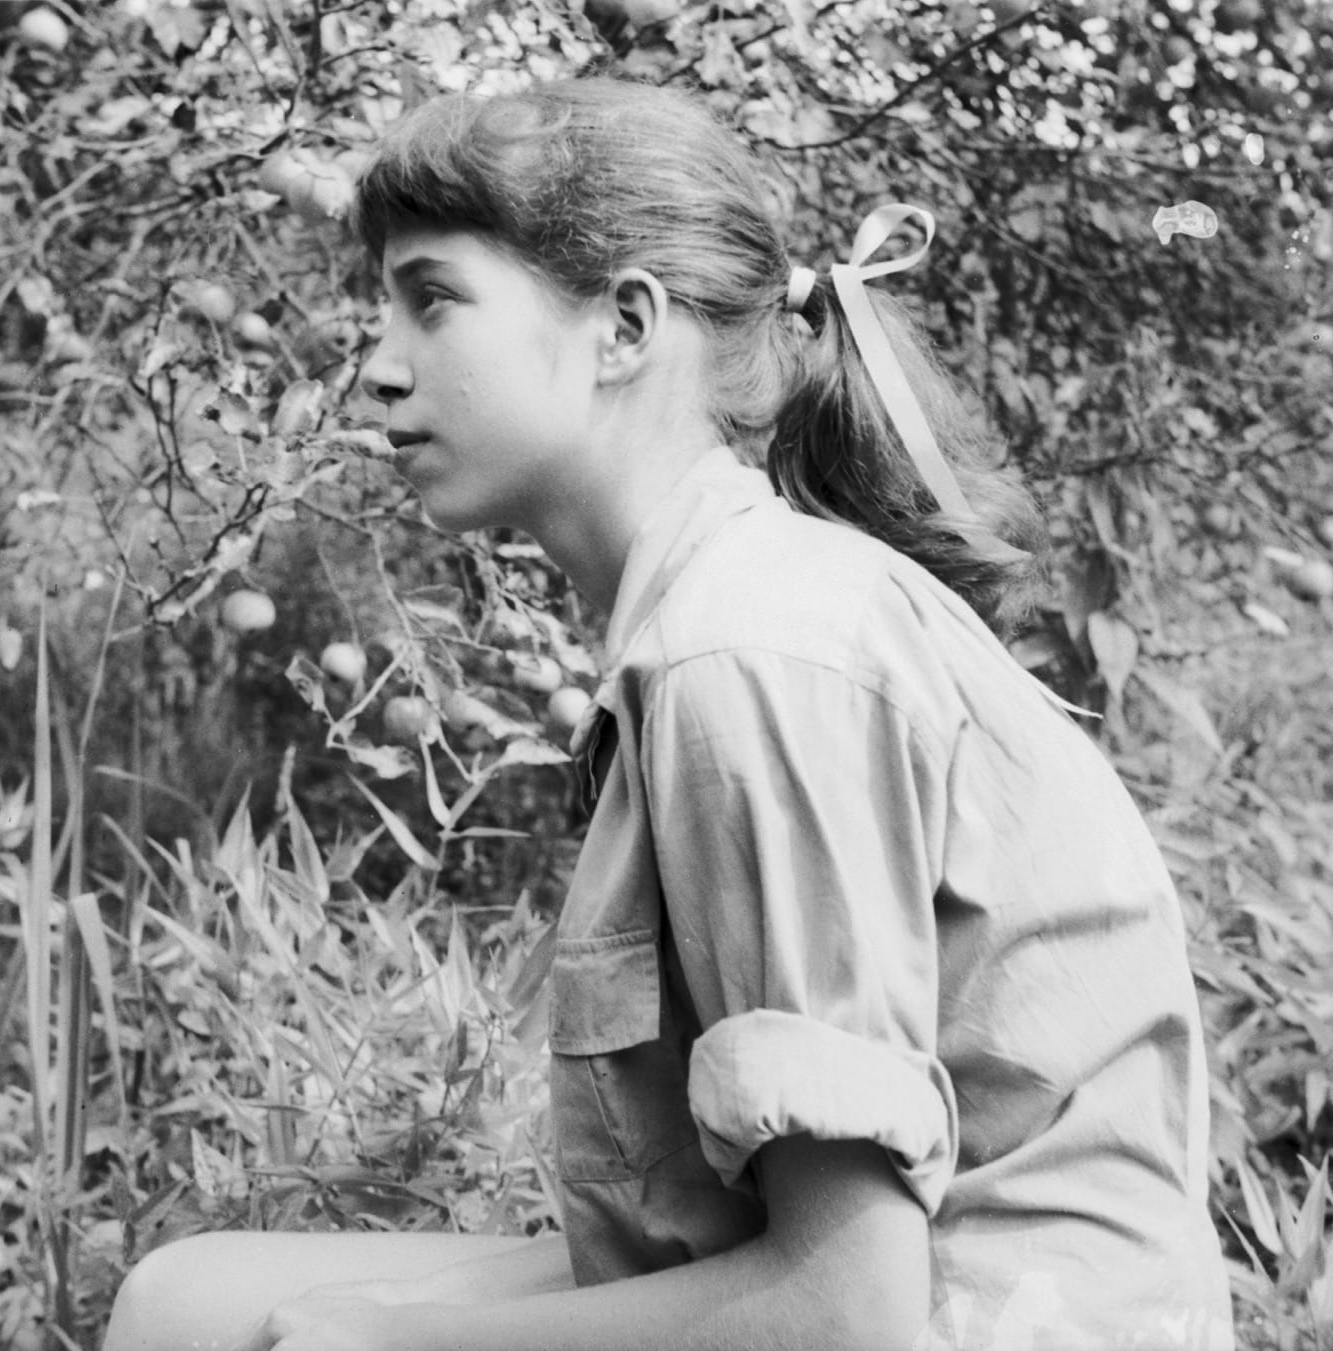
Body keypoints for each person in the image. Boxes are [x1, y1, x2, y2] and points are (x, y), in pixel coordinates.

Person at [104, 77, 1235, 1351]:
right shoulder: (721, 609)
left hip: (982, 1319)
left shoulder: (746, 649)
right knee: (183, 1300)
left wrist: (386, 1337)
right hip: (902, 1285)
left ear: (624, 325)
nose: (376, 367)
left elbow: (845, 1309)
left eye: (432, 298)